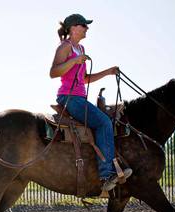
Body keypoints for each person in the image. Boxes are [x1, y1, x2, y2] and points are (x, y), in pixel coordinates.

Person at [49, 13, 132, 192]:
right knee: (103, 122)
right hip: (69, 97)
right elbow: (54, 72)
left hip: (79, 97)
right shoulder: (65, 47)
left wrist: (108, 72)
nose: (87, 28)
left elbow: (84, 78)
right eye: (84, 25)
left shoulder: (82, 48)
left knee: (104, 121)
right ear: (73, 28)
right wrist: (73, 60)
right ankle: (106, 174)